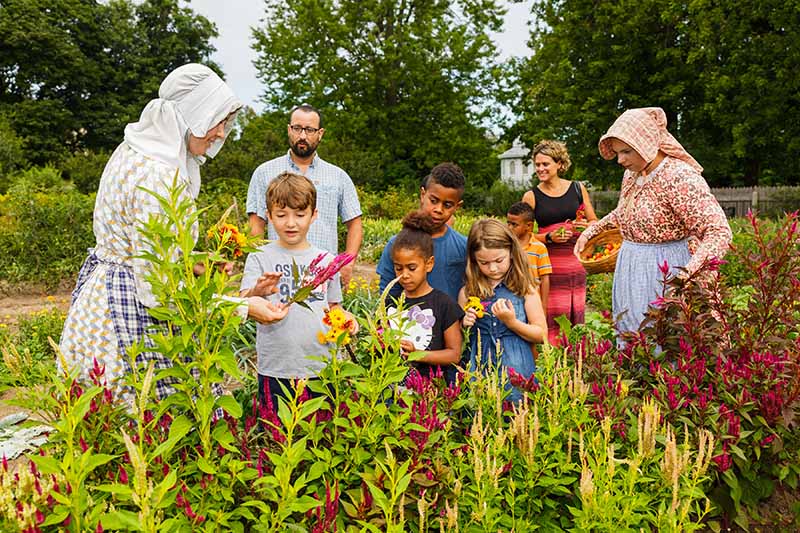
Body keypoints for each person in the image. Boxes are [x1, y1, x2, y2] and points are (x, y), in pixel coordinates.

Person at [59, 64, 289, 400]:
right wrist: (243, 307)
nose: (221, 133)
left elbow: (137, 241)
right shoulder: (160, 178)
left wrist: (194, 260)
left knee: (97, 421)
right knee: (152, 414)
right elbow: (160, 291)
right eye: (217, 120)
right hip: (128, 315)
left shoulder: (134, 149)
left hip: (99, 298)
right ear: (193, 114)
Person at [575, 107, 732, 336]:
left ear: (646, 143)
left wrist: (687, 274)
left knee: (666, 341)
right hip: (632, 270)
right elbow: (624, 213)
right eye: (618, 152)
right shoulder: (633, 173)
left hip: (666, 271)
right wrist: (590, 232)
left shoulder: (678, 176)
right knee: (636, 341)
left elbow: (719, 231)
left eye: (626, 151)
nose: (620, 160)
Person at [240, 172, 358, 411]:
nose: (291, 223)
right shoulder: (260, 257)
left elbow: (334, 306)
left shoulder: (327, 261)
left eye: (300, 214)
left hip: (320, 368)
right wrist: (257, 290)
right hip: (276, 368)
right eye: (281, 215)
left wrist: (346, 320)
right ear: (270, 217)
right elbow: (241, 303)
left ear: (314, 215)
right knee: (276, 438)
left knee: (319, 437)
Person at [246, 104, 362, 286]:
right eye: (297, 128)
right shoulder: (265, 172)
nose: (302, 136)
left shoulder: (338, 176)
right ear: (289, 130)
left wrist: (348, 263)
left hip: (323, 274)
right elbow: (257, 223)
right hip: (277, 273)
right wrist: (260, 263)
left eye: (309, 130)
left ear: (320, 133)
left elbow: (354, 223)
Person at [459, 219, 547, 402]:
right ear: (474, 261)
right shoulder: (468, 292)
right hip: (481, 369)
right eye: (484, 262)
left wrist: (512, 322)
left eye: (499, 260)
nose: (492, 268)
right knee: (482, 417)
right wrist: (465, 324)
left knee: (518, 416)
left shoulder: (525, 289)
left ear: (512, 254)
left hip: (517, 368)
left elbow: (541, 334)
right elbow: (460, 339)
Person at [521, 140, 598, 344]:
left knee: (575, 315)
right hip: (549, 264)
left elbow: (594, 221)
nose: (540, 169)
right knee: (552, 312)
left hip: (575, 262)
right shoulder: (531, 196)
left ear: (559, 164)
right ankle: (551, 357)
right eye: (537, 165)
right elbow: (519, 235)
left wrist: (584, 226)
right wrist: (548, 237)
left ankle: (576, 357)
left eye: (545, 164)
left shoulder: (577, 189)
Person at [386, 210, 465, 385]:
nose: (404, 275)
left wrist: (418, 354)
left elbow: (454, 354)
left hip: (430, 393)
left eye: (411, 268)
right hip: (392, 392)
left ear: (429, 264)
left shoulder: (444, 304)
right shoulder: (389, 303)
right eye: (398, 268)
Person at [377, 162, 467, 302]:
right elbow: (388, 293)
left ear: (457, 206)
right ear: (422, 195)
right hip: (408, 322)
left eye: (447, 205)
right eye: (433, 200)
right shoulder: (397, 244)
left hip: (452, 323)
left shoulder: (463, 246)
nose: (438, 209)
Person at [506, 201, 552, 311]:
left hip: (533, 301)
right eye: (508, 223)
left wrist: (544, 307)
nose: (509, 227)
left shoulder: (539, 248)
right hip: (510, 301)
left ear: (529, 226)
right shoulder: (506, 247)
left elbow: (545, 279)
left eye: (514, 224)